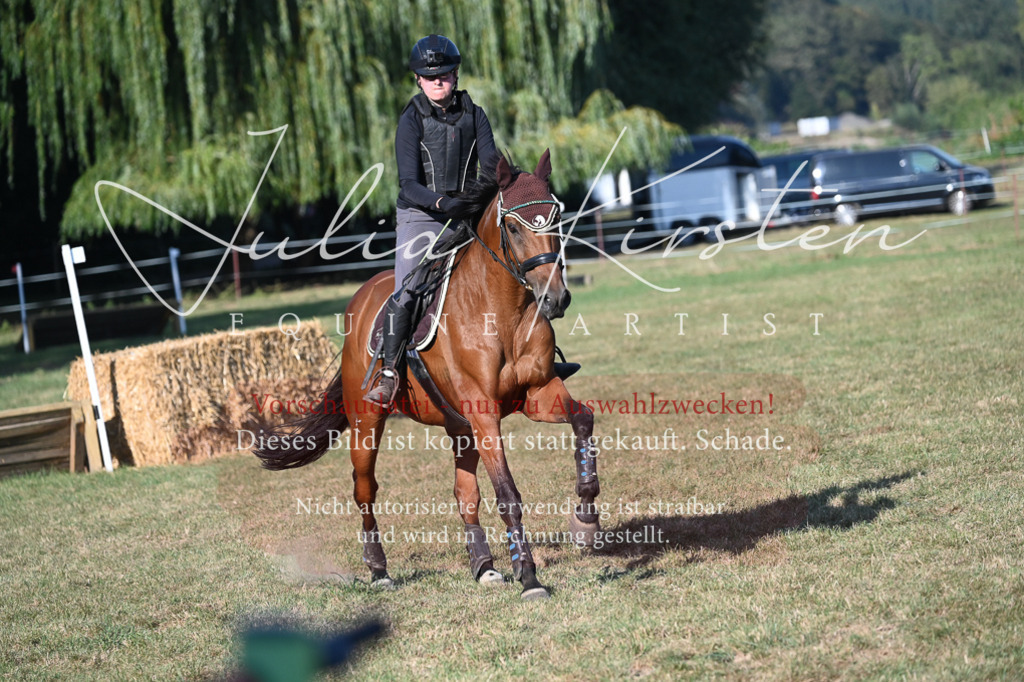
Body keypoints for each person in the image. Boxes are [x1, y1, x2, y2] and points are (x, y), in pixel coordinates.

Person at [364, 34, 500, 407]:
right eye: (429, 75)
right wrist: (443, 203)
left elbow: (489, 166)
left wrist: (480, 200)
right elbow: (408, 184)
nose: (437, 81)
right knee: (408, 287)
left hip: (465, 211)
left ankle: (538, 354)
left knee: (509, 267)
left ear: (455, 75)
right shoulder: (410, 121)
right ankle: (389, 373)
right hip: (420, 215)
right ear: (418, 80)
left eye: (444, 74)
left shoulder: (475, 114)